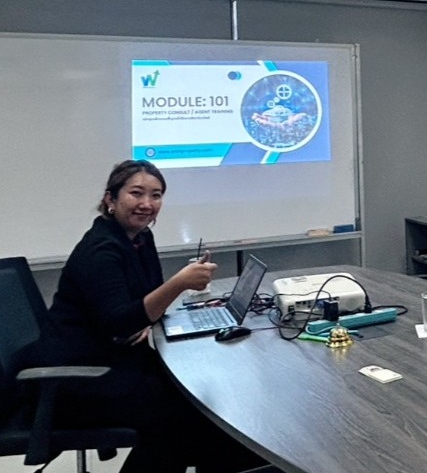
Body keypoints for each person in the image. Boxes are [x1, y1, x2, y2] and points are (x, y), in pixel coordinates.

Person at [28, 159, 265, 473]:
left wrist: (146, 317)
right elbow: (119, 323)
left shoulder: (140, 239)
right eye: (136, 193)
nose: (147, 204)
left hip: (118, 358)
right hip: (84, 377)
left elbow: (143, 301)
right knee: (188, 414)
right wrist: (178, 284)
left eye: (156, 195)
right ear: (111, 199)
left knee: (207, 399)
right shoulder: (100, 250)